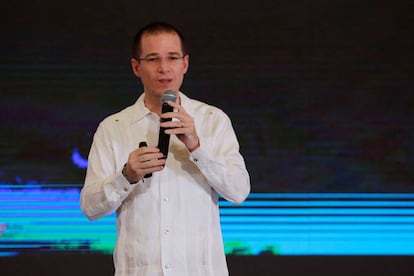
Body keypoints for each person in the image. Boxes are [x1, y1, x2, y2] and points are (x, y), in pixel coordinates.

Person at [80, 22, 250, 276]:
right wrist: (126, 176)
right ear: (137, 67)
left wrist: (196, 146)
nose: (164, 68)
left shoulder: (213, 120)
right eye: (152, 59)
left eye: (172, 58)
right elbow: (90, 208)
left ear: (185, 64)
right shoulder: (113, 128)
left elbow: (239, 191)